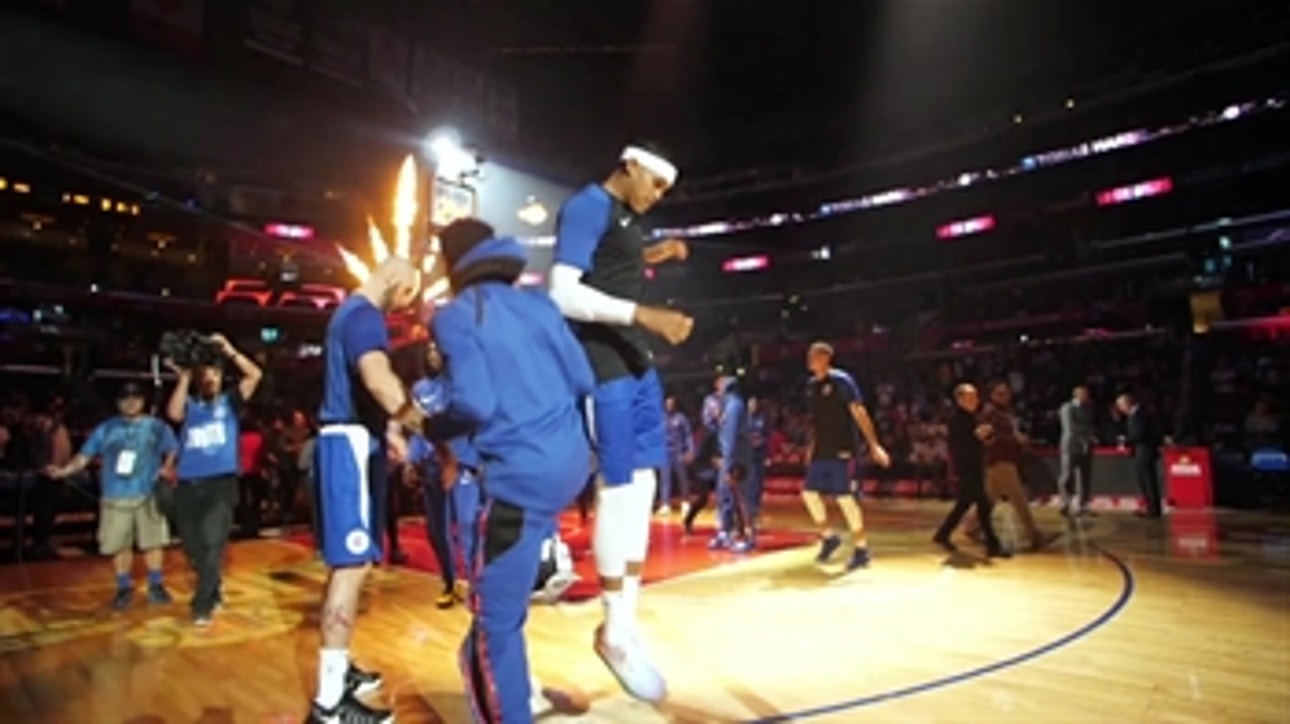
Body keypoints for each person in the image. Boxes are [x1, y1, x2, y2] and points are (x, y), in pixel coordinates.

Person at [417, 218, 595, 722]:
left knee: (494, 623)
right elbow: (582, 377)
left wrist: (435, 427)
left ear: (453, 264)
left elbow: (473, 402)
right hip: (570, 466)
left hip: (520, 477)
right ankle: (497, 653)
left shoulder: (456, 315)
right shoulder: (539, 304)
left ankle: (505, 699)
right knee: (502, 595)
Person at [548, 141, 693, 702]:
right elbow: (562, 291)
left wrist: (657, 255)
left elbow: (614, 263)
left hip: (637, 365)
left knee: (646, 487)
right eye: (656, 184)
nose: (659, 197)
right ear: (630, 166)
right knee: (621, 488)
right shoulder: (587, 205)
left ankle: (623, 626)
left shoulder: (626, 220)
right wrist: (643, 314)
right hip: (602, 364)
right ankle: (614, 630)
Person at [307, 256, 427, 724]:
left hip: (355, 442)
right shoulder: (364, 317)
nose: (405, 306)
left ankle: (340, 668)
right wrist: (421, 424)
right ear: (395, 281)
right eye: (407, 295)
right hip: (349, 447)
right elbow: (378, 380)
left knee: (349, 564)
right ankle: (329, 705)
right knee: (351, 566)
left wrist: (390, 435)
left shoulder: (348, 313)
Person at [46, 382, 179, 608]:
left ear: (143, 401)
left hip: (148, 494)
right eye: (125, 398)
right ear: (117, 403)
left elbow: (173, 448)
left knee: (153, 542)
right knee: (119, 544)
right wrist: (63, 471)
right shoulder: (105, 429)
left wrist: (167, 467)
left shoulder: (156, 426)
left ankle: (156, 585)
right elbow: (84, 456)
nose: (130, 402)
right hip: (115, 496)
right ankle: (123, 587)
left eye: (135, 397)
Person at [165, 333, 262, 626]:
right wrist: (183, 377)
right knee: (194, 547)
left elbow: (255, 375)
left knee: (213, 542)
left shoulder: (230, 402)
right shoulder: (191, 405)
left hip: (221, 483)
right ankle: (213, 586)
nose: (211, 378)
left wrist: (230, 349)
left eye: (216, 373)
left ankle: (202, 603)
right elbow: (174, 413)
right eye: (206, 373)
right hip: (188, 484)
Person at [803, 342, 891, 571]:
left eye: (814, 355)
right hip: (821, 449)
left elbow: (859, 412)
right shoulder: (812, 386)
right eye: (809, 355)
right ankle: (829, 537)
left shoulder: (842, 380)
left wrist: (874, 445)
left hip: (843, 448)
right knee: (809, 494)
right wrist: (811, 447)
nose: (810, 359)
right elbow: (816, 421)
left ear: (826, 358)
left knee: (844, 498)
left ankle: (862, 549)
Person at [933, 384, 1008, 557]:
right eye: (970, 397)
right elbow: (961, 445)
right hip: (967, 468)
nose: (975, 400)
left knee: (965, 504)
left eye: (975, 397)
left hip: (973, 466)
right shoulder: (958, 419)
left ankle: (943, 534)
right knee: (982, 505)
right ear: (960, 399)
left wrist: (983, 435)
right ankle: (993, 545)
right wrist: (979, 435)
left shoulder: (970, 417)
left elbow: (980, 440)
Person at [979, 381, 1054, 550]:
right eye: (1000, 393)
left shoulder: (1003, 412)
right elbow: (990, 437)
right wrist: (1016, 440)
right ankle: (1034, 535)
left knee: (990, 499)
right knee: (1019, 498)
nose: (1004, 396)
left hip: (1001, 461)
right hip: (1000, 460)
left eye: (1006, 393)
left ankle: (971, 527)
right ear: (991, 395)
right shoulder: (990, 413)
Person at [708, 375, 754, 552]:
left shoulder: (734, 405)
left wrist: (730, 462)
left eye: (720, 385)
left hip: (737, 459)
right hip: (728, 458)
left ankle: (748, 536)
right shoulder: (726, 406)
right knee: (724, 497)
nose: (717, 388)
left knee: (741, 499)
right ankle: (725, 532)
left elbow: (732, 436)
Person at [1117, 392, 1163, 518]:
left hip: (1144, 451)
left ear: (1127, 403)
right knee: (1144, 480)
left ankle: (1153, 508)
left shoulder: (1139, 414)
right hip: (1140, 451)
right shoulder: (1134, 415)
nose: (1120, 409)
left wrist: (1125, 440)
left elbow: (1139, 434)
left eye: (1121, 406)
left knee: (1148, 481)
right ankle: (1150, 506)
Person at [1058, 385, 1098, 517]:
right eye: (1083, 394)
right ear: (1076, 395)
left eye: (1087, 394)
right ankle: (1065, 503)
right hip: (1071, 446)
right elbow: (1070, 427)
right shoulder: (1067, 408)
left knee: (1085, 476)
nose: (1086, 396)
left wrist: (1091, 436)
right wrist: (1088, 434)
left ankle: (1083, 504)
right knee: (1067, 475)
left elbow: (1091, 425)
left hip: (1086, 446)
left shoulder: (1089, 408)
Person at [660, 396, 693, 515]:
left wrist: (690, 450)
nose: (669, 406)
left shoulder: (681, 418)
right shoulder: (661, 418)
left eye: (672, 403)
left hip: (679, 452)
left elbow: (688, 435)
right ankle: (665, 504)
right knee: (665, 479)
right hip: (665, 453)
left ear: (675, 405)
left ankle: (685, 501)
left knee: (682, 478)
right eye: (667, 403)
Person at [745, 396, 768, 535]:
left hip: (760, 454)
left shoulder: (763, 418)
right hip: (748, 456)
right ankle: (750, 512)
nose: (753, 406)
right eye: (751, 404)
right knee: (751, 483)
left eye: (755, 404)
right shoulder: (744, 419)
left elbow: (767, 435)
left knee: (759, 483)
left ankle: (756, 508)